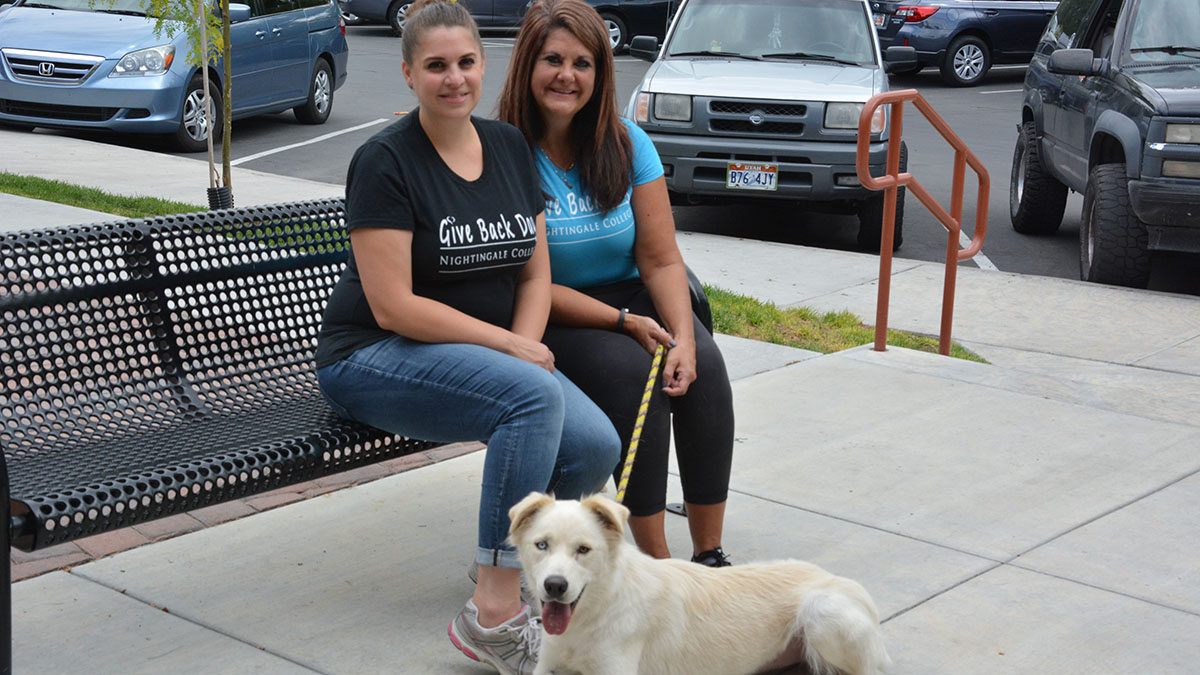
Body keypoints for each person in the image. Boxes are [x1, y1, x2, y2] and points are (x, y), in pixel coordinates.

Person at [313, 1, 620, 672]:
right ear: (407, 73)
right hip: (372, 356)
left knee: (596, 442)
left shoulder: (508, 146)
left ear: (484, 64)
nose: (453, 78)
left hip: (477, 355)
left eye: (465, 62)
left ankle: (524, 579)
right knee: (533, 402)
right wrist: (512, 352)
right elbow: (393, 307)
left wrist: (526, 350)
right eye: (435, 66)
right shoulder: (385, 161)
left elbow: (535, 274)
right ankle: (494, 609)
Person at [499, 0, 736, 567]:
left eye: (583, 63)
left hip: (632, 295)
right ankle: (655, 564)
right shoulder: (502, 152)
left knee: (704, 371)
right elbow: (527, 278)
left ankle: (708, 555)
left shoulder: (627, 142)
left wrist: (681, 334)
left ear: (601, 74)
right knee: (635, 378)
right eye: (552, 59)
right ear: (527, 65)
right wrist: (625, 323)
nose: (567, 75)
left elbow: (660, 260)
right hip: (554, 309)